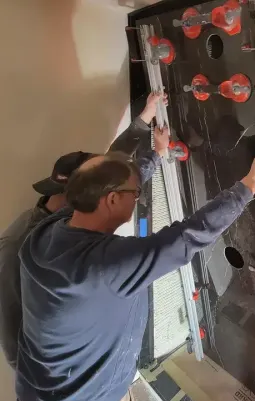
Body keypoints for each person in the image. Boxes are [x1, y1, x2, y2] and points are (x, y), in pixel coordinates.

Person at [14, 147, 255, 401]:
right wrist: (250, 184)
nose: (137, 197)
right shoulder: (106, 266)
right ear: (112, 199)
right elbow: (189, 236)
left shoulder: (47, 230)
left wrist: (157, 154)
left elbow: (110, 181)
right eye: (135, 193)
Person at [0, 92, 166, 369]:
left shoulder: (72, 210)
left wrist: (148, 121)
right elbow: (13, 339)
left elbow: (119, 162)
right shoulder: (16, 250)